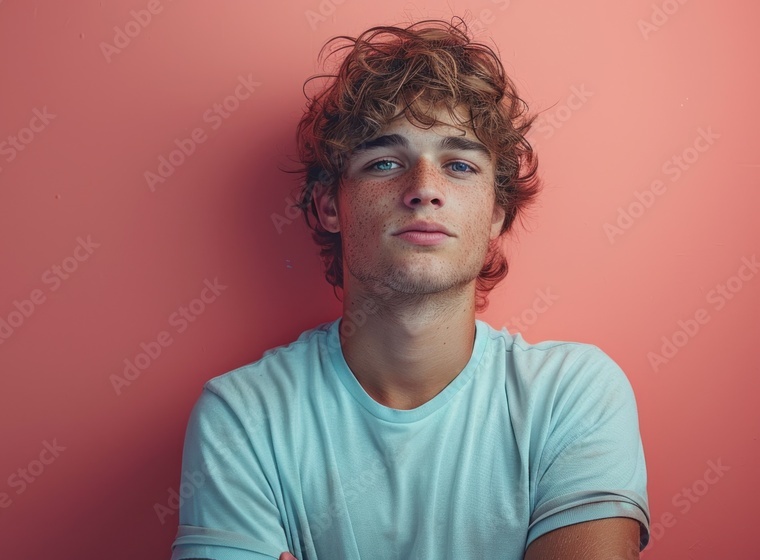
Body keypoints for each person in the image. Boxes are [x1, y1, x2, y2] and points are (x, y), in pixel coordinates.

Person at [170, 17, 649, 560]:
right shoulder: (243, 416)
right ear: (330, 205)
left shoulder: (573, 396)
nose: (424, 189)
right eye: (384, 163)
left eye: (460, 164)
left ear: (496, 211)